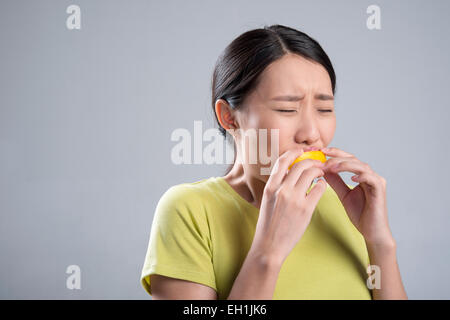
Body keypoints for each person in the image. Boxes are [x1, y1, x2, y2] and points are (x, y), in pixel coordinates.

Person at [140, 24, 408, 300]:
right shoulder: (188, 210)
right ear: (229, 117)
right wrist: (269, 251)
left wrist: (380, 243)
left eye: (324, 109)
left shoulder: (346, 205)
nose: (311, 134)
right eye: (287, 109)